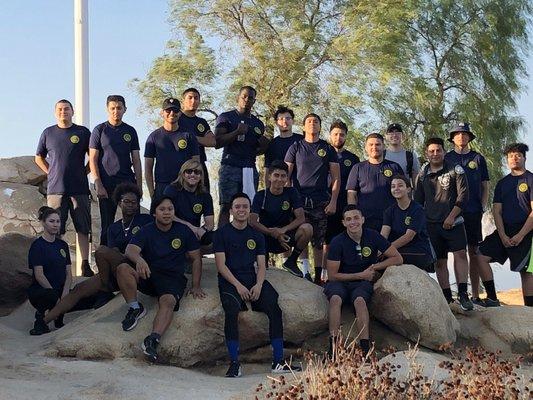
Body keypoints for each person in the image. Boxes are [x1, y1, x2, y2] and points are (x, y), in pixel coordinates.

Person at [36, 183, 154, 330]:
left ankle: (104, 291)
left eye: (134, 202)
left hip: (134, 268)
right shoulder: (114, 228)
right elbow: (114, 251)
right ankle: (43, 322)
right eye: (126, 202)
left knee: (101, 251)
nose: (130, 205)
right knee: (79, 289)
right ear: (119, 203)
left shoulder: (145, 220)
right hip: (114, 270)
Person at [213, 193, 301, 377]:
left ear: (249, 209)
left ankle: (278, 362)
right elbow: (221, 266)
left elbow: (262, 265)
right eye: (237, 206)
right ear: (231, 211)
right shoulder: (222, 233)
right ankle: (235, 363)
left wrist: (259, 285)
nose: (241, 210)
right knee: (231, 311)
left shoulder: (257, 235)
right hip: (231, 281)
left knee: (275, 309)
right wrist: (238, 286)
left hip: (252, 279)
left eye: (245, 206)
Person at [115, 196, 205, 362]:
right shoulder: (147, 230)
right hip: (149, 273)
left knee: (168, 301)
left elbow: (196, 258)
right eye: (162, 209)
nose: (166, 213)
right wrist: (140, 260)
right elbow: (130, 250)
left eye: (170, 209)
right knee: (123, 269)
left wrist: (196, 285)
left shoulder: (183, 231)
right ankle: (135, 308)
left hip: (172, 278)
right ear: (154, 213)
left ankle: (153, 339)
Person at [325, 205, 402, 357]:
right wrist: (360, 275)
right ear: (343, 223)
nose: (353, 222)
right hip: (341, 280)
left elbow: (397, 258)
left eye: (356, 218)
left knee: (360, 301)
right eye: (348, 219)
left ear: (363, 219)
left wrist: (375, 266)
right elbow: (332, 275)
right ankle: (333, 348)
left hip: (362, 283)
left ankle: (365, 348)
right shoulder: (337, 241)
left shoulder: (373, 236)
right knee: (335, 299)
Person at [414, 137, 474, 310]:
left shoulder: (455, 170)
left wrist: (451, 217)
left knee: (461, 255)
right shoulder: (422, 174)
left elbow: (463, 197)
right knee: (440, 261)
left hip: (454, 222)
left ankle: (463, 294)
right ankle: (447, 297)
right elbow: (418, 202)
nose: (435, 154)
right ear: (427, 153)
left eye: (438, 150)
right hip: (432, 225)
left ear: (444, 152)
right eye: (431, 151)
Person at [35, 99, 93, 277]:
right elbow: (38, 157)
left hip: (79, 188)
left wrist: (84, 172)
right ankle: (56, 263)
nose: (63, 112)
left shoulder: (82, 132)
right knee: (54, 227)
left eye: (66, 109)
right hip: (56, 189)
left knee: (83, 227)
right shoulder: (48, 133)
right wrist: (50, 172)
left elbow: (93, 156)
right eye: (60, 109)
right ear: (55, 112)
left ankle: (85, 264)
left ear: (72, 111)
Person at [285, 113, 340, 284]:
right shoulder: (296, 146)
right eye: (309, 121)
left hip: (321, 200)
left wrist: (333, 201)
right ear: (303, 126)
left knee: (319, 240)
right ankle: (305, 271)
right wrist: (288, 198)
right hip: (299, 200)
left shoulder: (327, 149)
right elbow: (286, 173)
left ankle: (318, 277)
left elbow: (336, 177)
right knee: (304, 234)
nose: (312, 124)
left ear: (320, 126)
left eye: (316, 121)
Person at [478, 143, 532, 306]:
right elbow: (496, 211)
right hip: (504, 230)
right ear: (507, 160)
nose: (514, 158)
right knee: (480, 256)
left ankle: (529, 310)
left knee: (526, 271)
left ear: (524, 158)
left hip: (527, 231)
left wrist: (521, 235)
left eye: (517, 155)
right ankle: (492, 298)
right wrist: (502, 235)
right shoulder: (503, 183)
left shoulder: (530, 179)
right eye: (510, 156)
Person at [444, 122, 490, 304]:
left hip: (473, 211)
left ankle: (476, 294)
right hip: (453, 212)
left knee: (474, 251)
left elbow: (485, 184)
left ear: (469, 137)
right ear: (453, 138)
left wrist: (483, 205)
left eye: (464, 134)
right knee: (456, 251)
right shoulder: (447, 158)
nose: (461, 137)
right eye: (457, 134)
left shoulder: (478, 158)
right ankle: (455, 294)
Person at [89, 95, 142, 246]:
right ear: (107, 109)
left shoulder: (130, 131)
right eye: (112, 108)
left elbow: (136, 160)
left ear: (125, 109)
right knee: (107, 225)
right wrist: (98, 183)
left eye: (119, 108)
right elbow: (93, 159)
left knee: (134, 224)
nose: (115, 111)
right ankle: (105, 262)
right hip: (107, 184)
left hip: (127, 183)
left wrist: (139, 185)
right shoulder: (100, 130)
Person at [214, 86, 270, 226]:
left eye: (250, 97)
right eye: (244, 96)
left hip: (249, 168)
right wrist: (236, 133)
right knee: (226, 205)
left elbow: (255, 149)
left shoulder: (258, 124)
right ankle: (222, 239)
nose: (246, 100)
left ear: (254, 101)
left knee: (248, 206)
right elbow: (218, 141)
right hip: (230, 166)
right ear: (238, 98)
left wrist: (263, 147)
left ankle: (246, 239)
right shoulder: (226, 117)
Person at [249, 160, 313, 278]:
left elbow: (301, 218)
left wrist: (283, 230)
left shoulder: (291, 192)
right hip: (266, 238)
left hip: (285, 238)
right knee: (250, 233)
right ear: (269, 177)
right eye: (276, 175)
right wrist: (272, 233)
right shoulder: (261, 195)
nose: (279, 179)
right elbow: (252, 221)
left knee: (307, 228)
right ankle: (261, 262)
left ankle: (291, 262)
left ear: (287, 178)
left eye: (283, 176)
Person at [324, 120, 360, 279]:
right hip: (325, 203)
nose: (338, 137)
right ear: (330, 135)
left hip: (345, 205)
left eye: (342, 134)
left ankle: (347, 272)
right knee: (327, 242)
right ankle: (324, 275)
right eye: (335, 134)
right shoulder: (322, 153)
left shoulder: (353, 158)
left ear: (346, 136)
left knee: (347, 239)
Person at [27, 207, 72, 335]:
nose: (55, 225)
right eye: (51, 221)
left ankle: (59, 317)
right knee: (50, 295)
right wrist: (57, 299)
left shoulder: (62, 245)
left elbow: (69, 273)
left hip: (60, 289)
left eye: (58, 221)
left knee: (80, 294)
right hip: (42, 290)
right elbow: (39, 275)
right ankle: (40, 320)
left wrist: (65, 293)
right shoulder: (37, 246)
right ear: (43, 223)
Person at [144, 98, 200, 200]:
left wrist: (195, 188)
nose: (172, 113)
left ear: (180, 113)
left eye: (175, 110)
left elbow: (196, 165)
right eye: (168, 110)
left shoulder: (189, 136)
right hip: (162, 186)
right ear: (162, 113)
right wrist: (152, 193)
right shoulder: (153, 137)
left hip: (184, 186)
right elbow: (148, 169)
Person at [346, 133, 403, 232]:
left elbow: (404, 192)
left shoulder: (394, 167)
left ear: (383, 146)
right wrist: (354, 216)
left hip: (392, 220)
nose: (374, 147)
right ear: (366, 148)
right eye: (371, 145)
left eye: (377, 144)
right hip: (366, 222)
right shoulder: (358, 168)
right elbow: (351, 195)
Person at [381, 175, 436, 271]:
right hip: (397, 250)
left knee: (386, 258)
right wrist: (378, 247)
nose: (396, 189)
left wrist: (386, 249)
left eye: (400, 185)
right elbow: (384, 234)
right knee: (374, 257)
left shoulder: (417, 209)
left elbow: (408, 237)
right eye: (393, 186)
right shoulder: (389, 211)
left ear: (408, 189)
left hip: (419, 251)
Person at [163, 159, 215, 250]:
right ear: (183, 174)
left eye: (197, 172)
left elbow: (210, 224)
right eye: (189, 171)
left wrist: (202, 230)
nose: (193, 174)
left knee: (218, 239)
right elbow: (167, 215)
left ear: (201, 176)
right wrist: (192, 228)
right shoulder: (172, 190)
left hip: (194, 234)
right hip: (173, 230)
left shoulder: (205, 195)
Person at [178, 88, 216, 191]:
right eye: (190, 98)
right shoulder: (177, 118)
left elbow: (212, 141)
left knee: (202, 194)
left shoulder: (202, 122)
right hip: (180, 163)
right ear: (183, 101)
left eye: (196, 98)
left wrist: (191, 137)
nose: (193, 101)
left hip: (199, 164)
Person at [264, 106, 302, 182]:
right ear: (276, 122)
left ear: (293, 121)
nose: (284, 121)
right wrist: (268, 191)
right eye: (281, 119)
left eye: (288, 118)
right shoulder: (272, 144)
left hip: (300, 186)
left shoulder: (301, 140)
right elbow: (268, 169)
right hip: (279, 186)